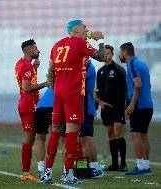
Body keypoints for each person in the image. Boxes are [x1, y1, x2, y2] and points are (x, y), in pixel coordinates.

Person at [41, 19, 106, 185]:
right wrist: (100, 40)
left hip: (59, 94)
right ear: (76, 30)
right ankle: (68, 174)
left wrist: (57, 89)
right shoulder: (79, 43)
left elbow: (50, 73)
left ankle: (47, 173)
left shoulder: (56, 45)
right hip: (74, 93)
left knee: (55, 132)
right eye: (84, 27)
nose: (87, 30)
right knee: (72, 134)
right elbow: (102, 57)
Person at [15, 39, 49, 180]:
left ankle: (30, 171)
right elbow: (27, 87)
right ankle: (26, 173)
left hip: (27, 104)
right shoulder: (26, 66)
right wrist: (46, 84)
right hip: (29, 106)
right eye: (36, 48)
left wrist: (34, 69)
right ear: (30, 51)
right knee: (29, 139)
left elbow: (26, 81)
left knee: (33, 138)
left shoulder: (21, 63)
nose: (38, 50)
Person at [119, 42, 153, 175]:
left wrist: (131, 105)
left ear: (125, 53)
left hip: (139, 105)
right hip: (147, 104)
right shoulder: (141, 63)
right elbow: (144, 85)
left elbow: (138, 85)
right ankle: (146, 166)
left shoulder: (132, 64)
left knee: (136, 135)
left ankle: (140, 167)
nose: (119, 55)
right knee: (143, 135)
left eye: (120, 52)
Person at [96, 44, 127, 172]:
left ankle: (123, 164)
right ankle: (114, 164)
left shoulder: (119, 70)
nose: (106, 55)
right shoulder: (100, 71)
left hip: (118, 107)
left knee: (118, 133)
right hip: (105, 108)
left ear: (112, 54)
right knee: (110, 133)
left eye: (108, 53)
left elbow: (125, 90)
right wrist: (99, 103)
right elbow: (98, 91)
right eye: (104, 53)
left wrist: (125, 106)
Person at [34, 86, 53, 178]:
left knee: (40, 138)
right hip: (56, 107)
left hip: (41, 108)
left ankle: (41, 170)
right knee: (62, 139)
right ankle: (67, 171)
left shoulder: (54, 74)